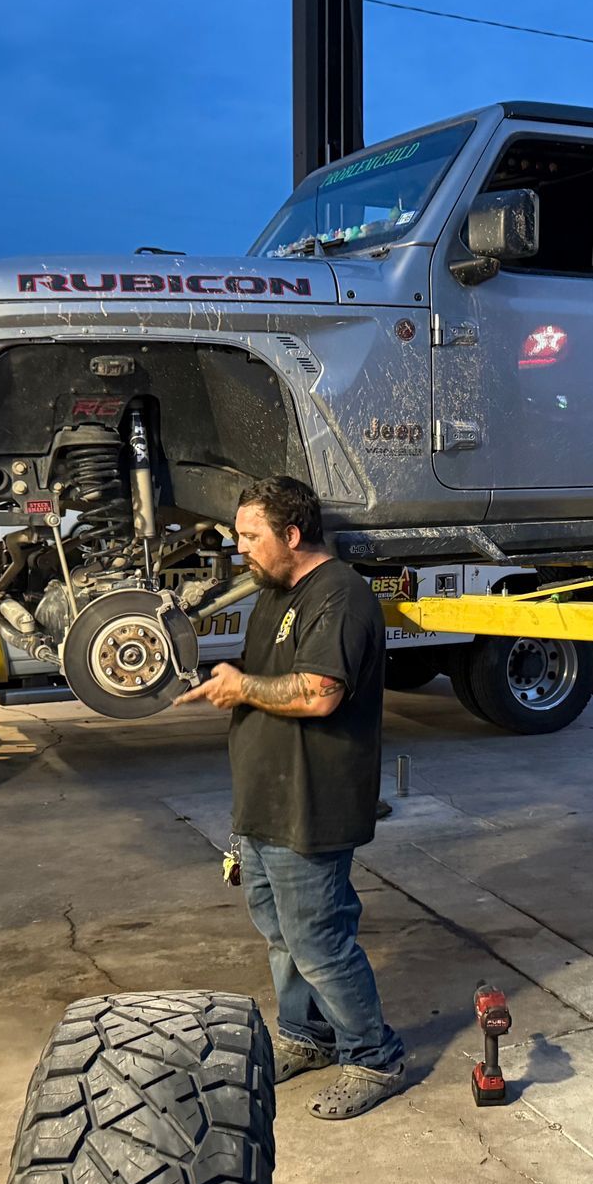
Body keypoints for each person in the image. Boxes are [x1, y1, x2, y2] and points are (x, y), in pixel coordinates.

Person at [179, 473, 405, 1119]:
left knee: (319, 941)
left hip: (313, 804)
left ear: (293, 534)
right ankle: (308, 1038)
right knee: (281, 935)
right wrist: (232, 682)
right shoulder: (276, 593)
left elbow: (318, 692)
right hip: (264, 803)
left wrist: (242, 688)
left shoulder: (341, 597)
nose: (240, 548)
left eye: (251, 536)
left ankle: (373, 1057)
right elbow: (262, 678)